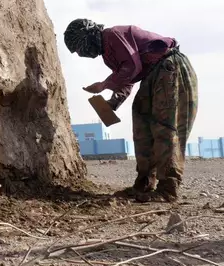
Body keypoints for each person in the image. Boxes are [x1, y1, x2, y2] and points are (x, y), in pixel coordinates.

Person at [63, 19, 198, 202]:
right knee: (142, 124)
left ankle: (168, 189)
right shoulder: (108, 53)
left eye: (80, 47)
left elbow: (132, 66)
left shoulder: (112, 35)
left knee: (164, 127)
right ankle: (144, 183)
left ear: (88, 34)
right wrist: (113, 103)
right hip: (153, 74)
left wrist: (104, 85)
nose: (81, 53)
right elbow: (127, 78)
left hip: (168, 67)